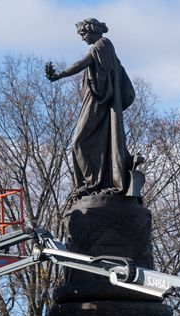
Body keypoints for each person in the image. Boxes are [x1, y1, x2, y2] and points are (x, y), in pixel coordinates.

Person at [45, 18, 136, 199]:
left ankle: (92, 182)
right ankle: (95, 182)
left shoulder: (102, 45)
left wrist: (59, 75)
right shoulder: (104, 47)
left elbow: (81, 63)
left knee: (79, 141)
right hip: (95, 100)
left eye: (83, 34)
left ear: (94, 31)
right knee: (92, 142)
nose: (82, 38)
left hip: (99, 102)